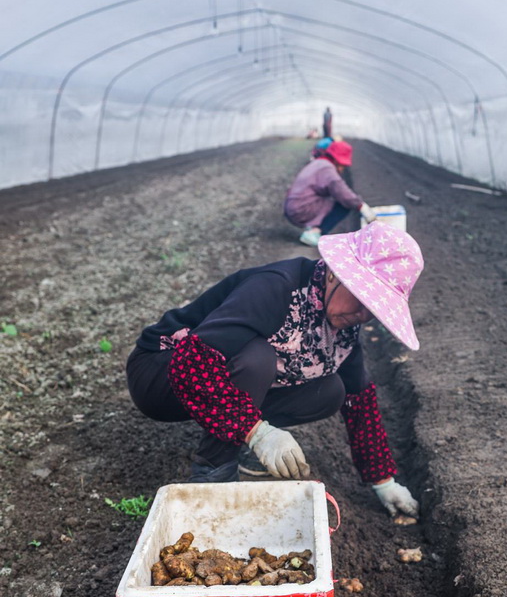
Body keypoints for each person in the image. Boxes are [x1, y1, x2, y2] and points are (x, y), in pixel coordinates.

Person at [126, 222, 423, 518]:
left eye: (374, 310)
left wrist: (383, 481)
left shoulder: (343, 327)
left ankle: (238, 435)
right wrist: (257, 432)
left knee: (332, 391)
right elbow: (191, 364)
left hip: (214, 387)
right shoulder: (278, 288)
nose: (363, 315)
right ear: (335, 273)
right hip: (160, 374)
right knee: (257, 357)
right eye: (361, 299)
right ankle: (213, 473)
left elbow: (358, 400)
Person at [284, 141, 376, 248]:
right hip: (301, 209)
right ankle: (315, 232)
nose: (342, 169)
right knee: (343, 205)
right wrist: (361, 206)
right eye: (342, 165)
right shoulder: (327, 169)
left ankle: (312, 227)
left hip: (293, 206)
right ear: (337, 160)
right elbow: (342, 192)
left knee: (329, 200)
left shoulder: (318, 163)